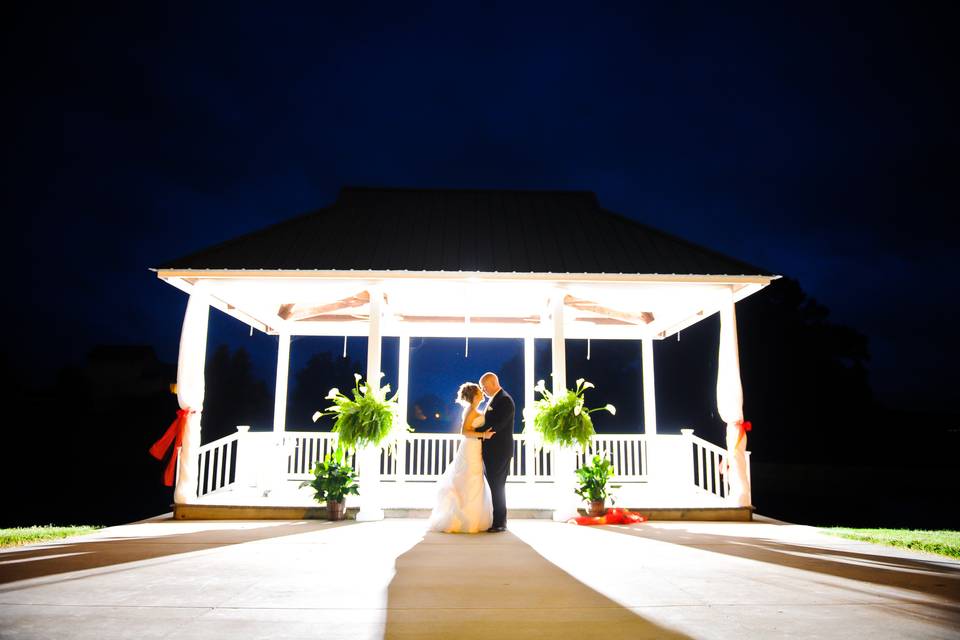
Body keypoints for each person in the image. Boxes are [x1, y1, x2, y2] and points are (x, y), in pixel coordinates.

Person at [426, 382, 495, 533]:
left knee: (473, 478)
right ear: (475, 396)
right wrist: (484, 435)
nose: (482, 392)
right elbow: (464, 431)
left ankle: (472, 517)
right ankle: (465, 519)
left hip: (473, 447)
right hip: (470, 447)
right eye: (480, 391)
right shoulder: (471, 411)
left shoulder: (473, 410)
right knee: (470, 477)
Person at [478, 372, 515, 532]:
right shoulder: (495, 399)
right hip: (492, 451)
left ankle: (500, 522)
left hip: (499, 452)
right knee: (494, 485)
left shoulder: (504, 400)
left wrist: (475, 430)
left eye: (485, 387)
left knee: (497, 486)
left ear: (493, 383)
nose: (483, 391)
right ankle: (496, 519)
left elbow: (497, 425)